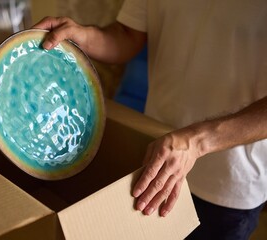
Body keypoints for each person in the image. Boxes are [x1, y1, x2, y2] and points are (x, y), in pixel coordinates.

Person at [32, 0, 267, 239]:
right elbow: (128, 34)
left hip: (228, 183)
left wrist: (196, 142)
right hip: (155, 156)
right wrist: (84, 35)